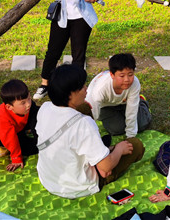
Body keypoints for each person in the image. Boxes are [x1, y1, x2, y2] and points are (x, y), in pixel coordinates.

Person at [35, 64, 144, 199]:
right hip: (78, 187)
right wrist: (119, 149)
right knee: (136, 145)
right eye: (82, 87)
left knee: (85, 107)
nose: (86, 89)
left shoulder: (44, 108)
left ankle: (99, 152)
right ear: (71, 94)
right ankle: (101, 154)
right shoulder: (83, 123)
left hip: (49, 179)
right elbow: (106, 167)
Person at [78, 53, 151, 138]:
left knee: (141, 125)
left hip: (124, 102)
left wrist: (131, 136)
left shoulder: (134, 83)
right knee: (117, 129)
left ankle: (141, 102)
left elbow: (132, 111)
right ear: (112, 75)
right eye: (122, 76)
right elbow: (91, 116)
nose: (127, 80)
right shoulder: (100, 90)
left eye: (130, 75)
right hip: (105, 106)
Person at [0, 79, 39, 171]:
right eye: (23, 103)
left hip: (19, 125)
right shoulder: (2, 118)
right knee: (30, 148)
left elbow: (36, 112)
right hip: (2, 137)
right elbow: (10, 140)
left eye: (29, 98)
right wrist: (16, 158)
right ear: (9, 107)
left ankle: (39, 135)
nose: (28, 104)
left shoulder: (27, 107)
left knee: (37, 113)